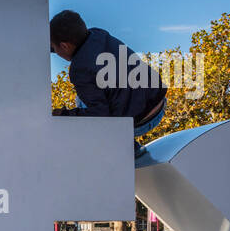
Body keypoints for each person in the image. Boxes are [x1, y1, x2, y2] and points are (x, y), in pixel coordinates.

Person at [49, 10, 167, 155]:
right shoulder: (98, 34)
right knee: (104, 87)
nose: (55, 52)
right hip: (158, 102)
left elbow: (99, 114)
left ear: (65, 46)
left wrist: (65, 116)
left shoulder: (79, 70)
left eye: (54, 48)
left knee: (82, 101)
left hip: (139, 121)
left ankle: (127, 148)